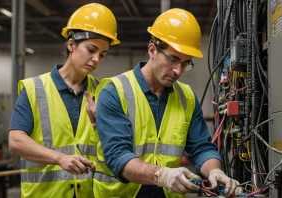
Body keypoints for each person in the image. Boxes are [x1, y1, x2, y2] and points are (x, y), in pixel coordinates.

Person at [92, 8, 243, 198]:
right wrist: (162, 175)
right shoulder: (115, 92)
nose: (177, 70)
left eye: (186, 63)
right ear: (152, 50)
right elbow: (118, 156)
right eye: (173, 59)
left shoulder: (187, 97)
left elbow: (201, 148)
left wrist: (215, 171)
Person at [8, 3, 120, 198]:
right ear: (71, 45)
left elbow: (115, 147)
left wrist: (98, 125)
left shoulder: (105, 92)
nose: (96, 59)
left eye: (102, 55)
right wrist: (60, 158)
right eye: (91, 50)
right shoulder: (35, 89)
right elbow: (16, 141)